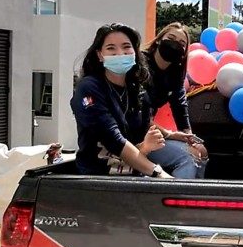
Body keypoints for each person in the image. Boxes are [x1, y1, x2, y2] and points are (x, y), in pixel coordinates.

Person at [71, 23, 172, 178]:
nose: (120, 53)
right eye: (111, 48)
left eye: (126, 47)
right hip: (97, 181)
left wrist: (145, 146)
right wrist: (159, 173)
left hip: (133, 178)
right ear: (100, 54)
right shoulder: (89, 88)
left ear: (134, 52)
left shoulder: (139, 92)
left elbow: (134, 147)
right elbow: (113, 139)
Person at [141, 22, 208, 179]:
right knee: (188, 158)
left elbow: (179, 105)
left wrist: (190, 138)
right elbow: (140, 116)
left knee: (200, 152)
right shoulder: (141, 65)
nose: (174, 45)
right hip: (136, 133)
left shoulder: (176, 71)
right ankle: (178, 199)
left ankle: (197, 197)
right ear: (158, 40)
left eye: (181, 44)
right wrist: (169, 134)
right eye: (171, 38)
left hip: (151, 131)